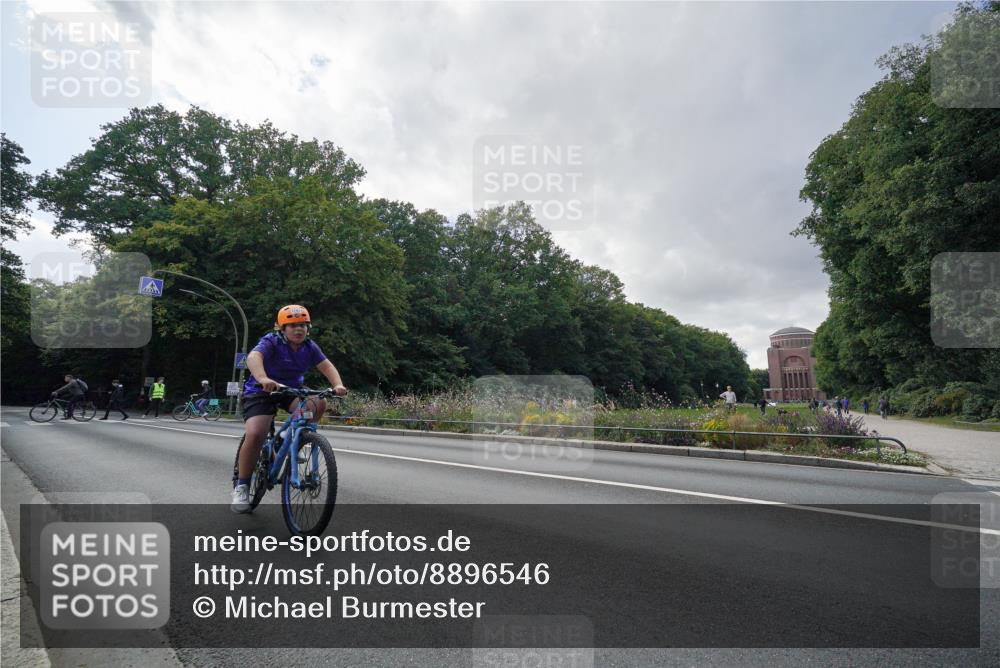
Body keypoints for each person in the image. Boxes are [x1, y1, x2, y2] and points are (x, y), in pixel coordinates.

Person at [231, 304, 347, 513]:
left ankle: (292, 439)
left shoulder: (310, 347)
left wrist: (337, 385)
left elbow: (327, 366)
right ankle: (242, 486)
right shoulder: (271, 341)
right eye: (292, 325)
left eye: (302, 325)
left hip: (290, 390)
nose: (299, 329)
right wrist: (263, 378)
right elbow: (253, 357)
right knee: (257, 432)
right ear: (282, 329)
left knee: (318, 401)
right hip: (261, 390)